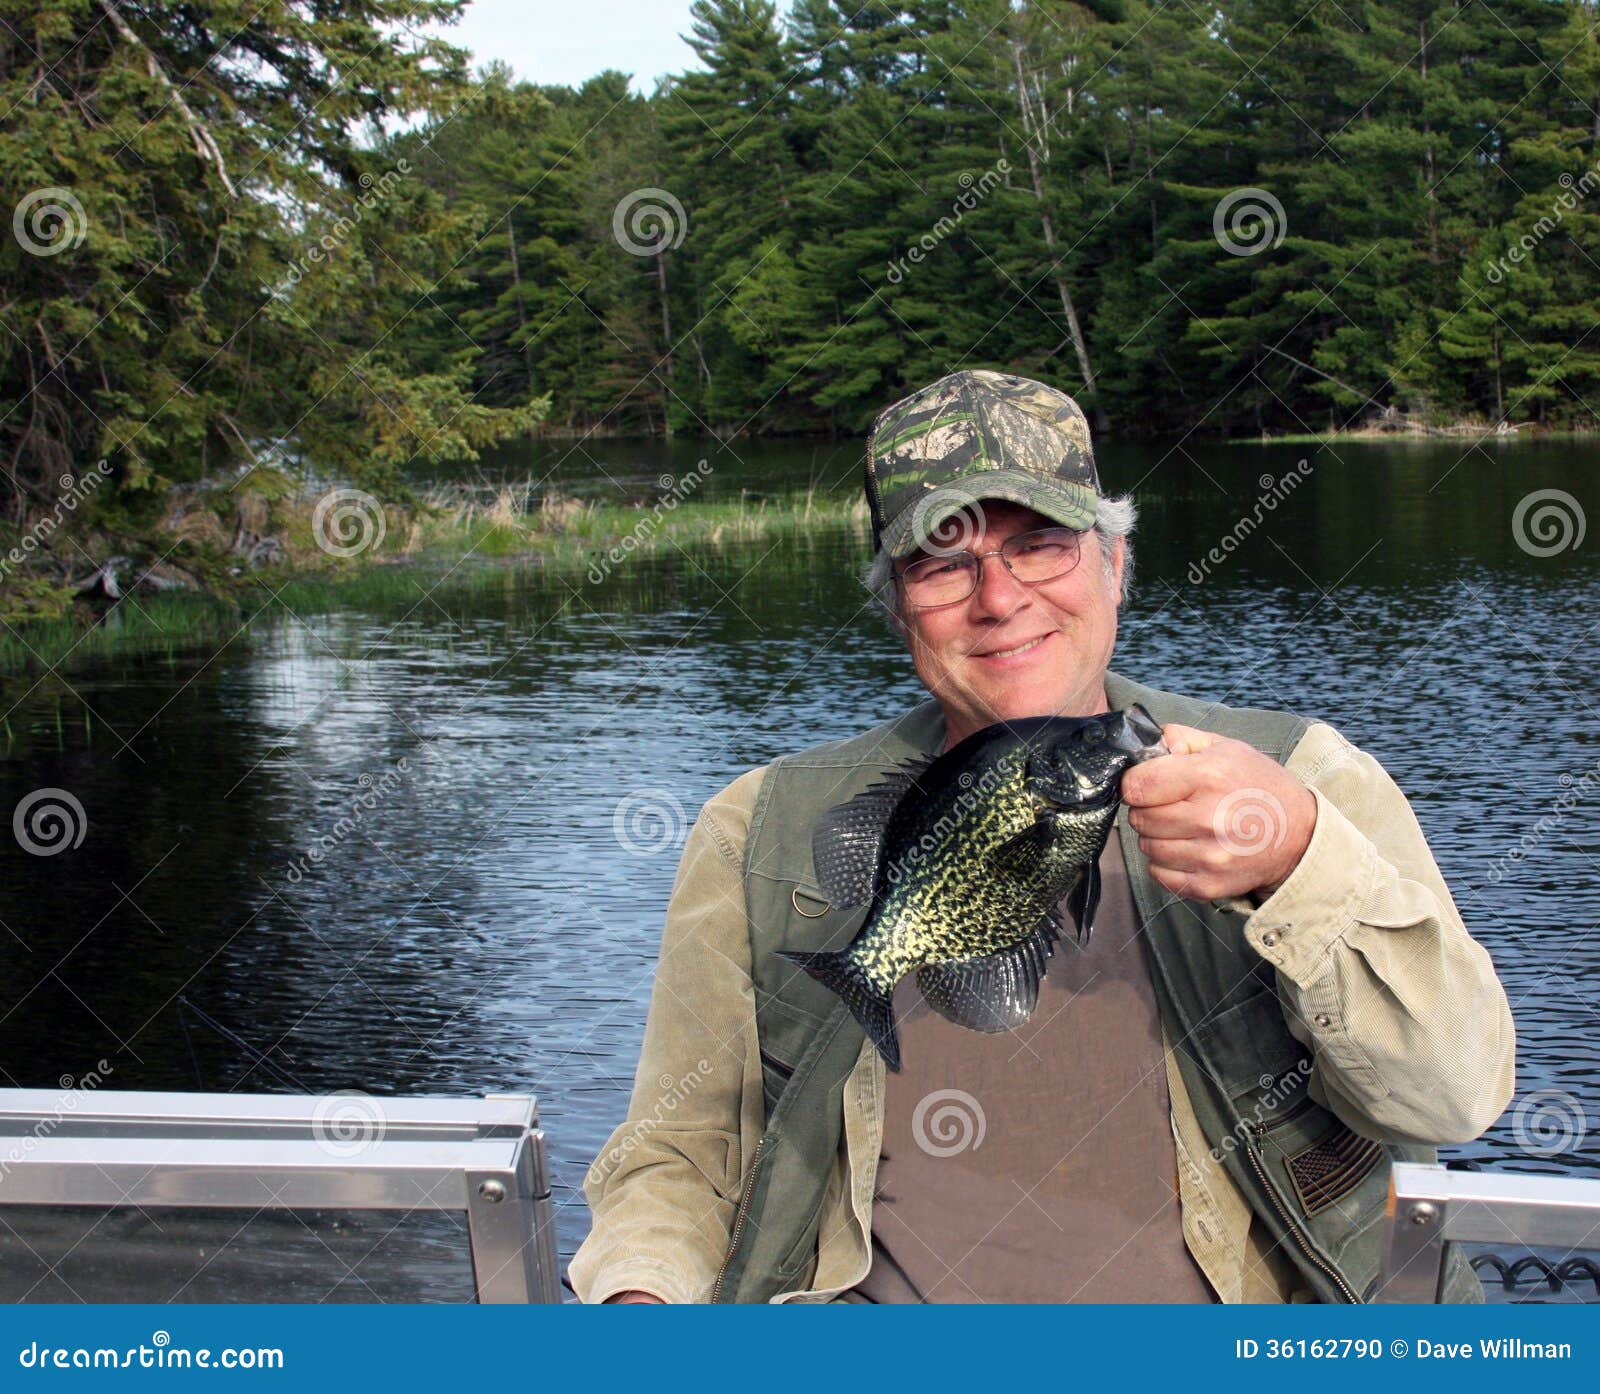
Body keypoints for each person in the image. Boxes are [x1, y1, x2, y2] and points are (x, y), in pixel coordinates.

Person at [568, 369, 1515, 1304]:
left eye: (1040, 546)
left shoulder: (1304, 779)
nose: (999, 597)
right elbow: (680, 1149)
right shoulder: (758, 828)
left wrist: (1299, 861)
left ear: (1113, 563)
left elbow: (1451, 1099)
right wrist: (641, 1303)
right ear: (896, 605)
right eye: (943, 563)